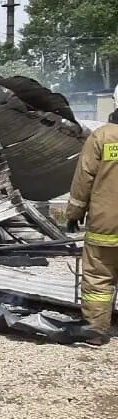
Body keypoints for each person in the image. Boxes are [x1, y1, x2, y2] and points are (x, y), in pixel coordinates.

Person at [65, 99, 118, 346]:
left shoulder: (102, 137)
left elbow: (84, 178)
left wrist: (74, 213)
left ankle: (96, 331)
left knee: (98, 277)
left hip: (106, 225)